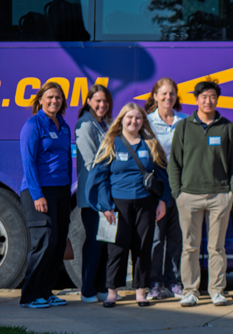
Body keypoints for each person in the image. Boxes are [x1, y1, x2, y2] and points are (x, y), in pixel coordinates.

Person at [86, 103, 171, 308]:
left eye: (138, 118)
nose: (134, 121)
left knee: (142, 246)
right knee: (117, 248)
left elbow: (162, 176)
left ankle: (141, 292)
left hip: (146, 204)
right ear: (122, 120)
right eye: (129, 118)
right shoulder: (112, 143)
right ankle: (112, 292)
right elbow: (100, 177)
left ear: (143, 121)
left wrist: (162, 202)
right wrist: (105, 206)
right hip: (118, 205)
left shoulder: (150, 144)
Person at [171, 79, 233, 308]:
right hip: (189, 196)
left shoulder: (227, 127)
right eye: (204, 96)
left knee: (217, 247)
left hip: (219, 196)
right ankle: (190, 291)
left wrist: (231, 194)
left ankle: (216, 290)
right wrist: (178, 193)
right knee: (189, 246)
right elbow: (174, 163)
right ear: (196, 99)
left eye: (212, 96)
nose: (208, 100)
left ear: (217, 99)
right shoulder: (183, 127)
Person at [18, 81, 73, 309]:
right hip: (38, 191)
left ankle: (46, 291)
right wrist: (37, 194)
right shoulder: (33, 125)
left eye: (58, 98)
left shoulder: (64, 126)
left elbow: (67, 160)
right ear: (40, 99)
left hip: (61, 190)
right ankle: (29, 295)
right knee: (44, 241)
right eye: (49, 97)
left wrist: (67, 191)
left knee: (58, 244)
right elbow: (28, 162)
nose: (54, 101)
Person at [145, 77, 187, 300]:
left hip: (180, 187)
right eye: (164, 93)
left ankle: (174, 282)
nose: (168, 97)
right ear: (155, 96)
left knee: (176, 238)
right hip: (158, 189)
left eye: (172, 93)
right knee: (157, 238)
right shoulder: (147, 122)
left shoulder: (185, 121)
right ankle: (155, 283)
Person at [73, 83, 112, 303]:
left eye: (105, 101)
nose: (102, 105)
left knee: (103, 243)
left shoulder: (102, 124)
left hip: (103, 195)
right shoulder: (85, 125)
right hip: (93, 197)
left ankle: (100, 288)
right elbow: (91, 163)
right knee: (94, 244)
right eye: (98, 101)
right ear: (89, 101)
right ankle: (87, 290)